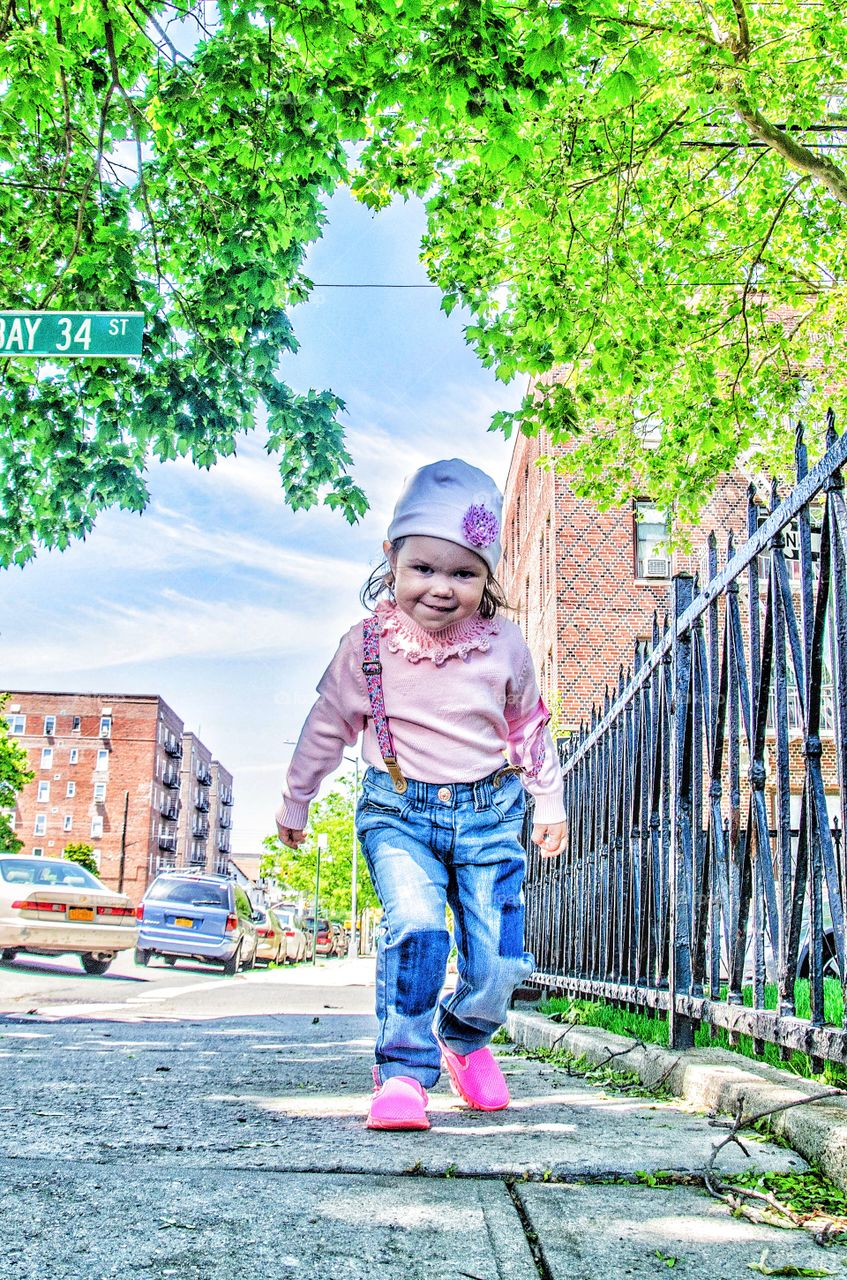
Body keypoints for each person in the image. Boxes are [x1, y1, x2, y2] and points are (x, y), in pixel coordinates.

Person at [276, 458, 566, 1131]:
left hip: (491, 812)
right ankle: (402, 1072)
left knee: (500, 959)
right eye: (424, 569)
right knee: (413, 927)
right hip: (398, 812)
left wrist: (547, 800)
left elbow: (527, 727)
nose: (441, 588)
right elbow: (326, 726)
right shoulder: (366, 646)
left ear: (487, 577)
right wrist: (296, 799)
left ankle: (462, 1039)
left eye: (463, 573)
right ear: (392, 561)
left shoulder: (503, 646)